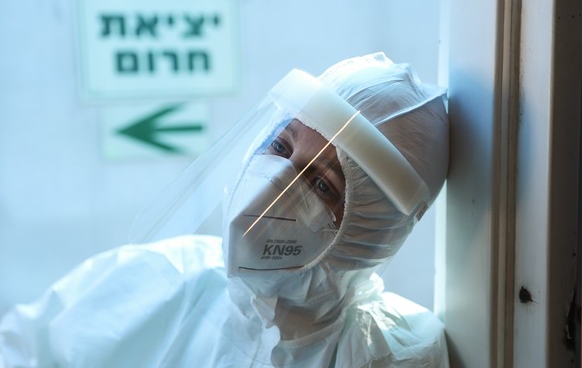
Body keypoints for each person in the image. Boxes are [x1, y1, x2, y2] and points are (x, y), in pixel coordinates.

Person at [0, 53, 450, 367]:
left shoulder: (389, 355)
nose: (273, 185)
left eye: (320, 184)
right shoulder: (161, 280)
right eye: (280, 145)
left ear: (369, 236)